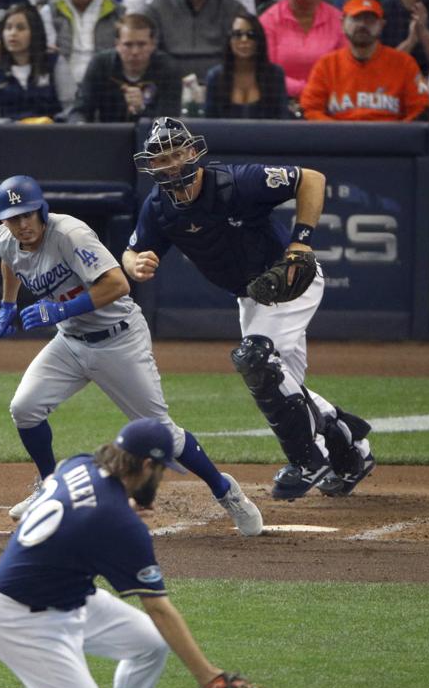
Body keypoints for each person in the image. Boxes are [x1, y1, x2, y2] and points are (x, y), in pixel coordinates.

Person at [0, 418, 271, 688]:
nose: (162, 479)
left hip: (68, 597)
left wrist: (124, 505)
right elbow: (160, 609)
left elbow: (73, 493)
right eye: (161, 471)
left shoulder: (81, 464)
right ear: (147, 464)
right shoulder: (116, 524)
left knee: (149, 645)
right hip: (19, 620)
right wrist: (208, 677)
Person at [0, 176, 263, 536]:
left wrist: (60, 310)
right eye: (14, 218)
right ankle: (47, 486)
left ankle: (226, 491)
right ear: (4, 221)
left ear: (41, 209)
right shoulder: (5, 240)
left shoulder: (70, 234)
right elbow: (9, 261)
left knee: (162, 432)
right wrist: (7, 303)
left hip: (118, 339)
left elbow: (119, 284)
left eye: (28, 214)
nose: (23, 224)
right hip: (71, 342)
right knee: (24, 408)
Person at [123, 117, 376, 500]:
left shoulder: (236, 181)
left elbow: (311, 179)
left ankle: (307, 460)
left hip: (290, 280)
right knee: (280, 383)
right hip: (251, 296)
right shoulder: (159, 207)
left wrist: (301, 242)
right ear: (150, 165)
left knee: (256, 360)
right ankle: (349, 445)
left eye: (176, 154)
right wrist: (134, 264)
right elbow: (132, 250)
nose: (170, 164)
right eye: (160, 159)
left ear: (194, 153)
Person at [299, 0, 429, 121]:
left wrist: (398, 134)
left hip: (390, 141)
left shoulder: (404, 63)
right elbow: (309, 108)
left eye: (370, 20)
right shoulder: (326, 65)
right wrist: (338, 134)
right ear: (342, 23)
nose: (362, 24)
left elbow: (421, 109)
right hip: (338, 141)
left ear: (382, 25)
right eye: (356, 18)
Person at [67, 13, 182, 122]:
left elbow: (169, 120)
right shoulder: (101, 64)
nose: (135, 52)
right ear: (117, 44)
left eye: (142, 44)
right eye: (128, 45)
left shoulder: (168, 69)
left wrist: (141, 109)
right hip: (107, 135)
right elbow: (80, 109)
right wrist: (80, 126)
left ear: (152, 45)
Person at [0, 3, 75, 124]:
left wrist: (52, 124)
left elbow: (71, 109)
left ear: (35, 31)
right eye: (8, 28)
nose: (13, 33)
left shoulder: (54, 62)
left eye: (21, 28)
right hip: (9, 137)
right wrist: (17, 126)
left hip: (52, 135)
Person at [136, 0, 247, 82]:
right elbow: (146, 50)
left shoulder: (233, 9)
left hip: (220, 87)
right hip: (169, 87)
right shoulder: (156, 9)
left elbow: (245, 49)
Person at [204, 11, 290, 118]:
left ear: (259, 40)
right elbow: (209, 125)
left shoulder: (275, 75)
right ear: (229, 40)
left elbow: (282, 121)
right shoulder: (215, 77)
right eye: (237, 34)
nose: (244, 40)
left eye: (251, 35)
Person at [259, 0, 345, 101]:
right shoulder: (269, 19)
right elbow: (266, 72)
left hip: (329, 100)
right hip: (279, 100)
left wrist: (318, 91)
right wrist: (306, 90)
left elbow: (345, 69)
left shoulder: (339, 20)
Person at [43, 0, 125, 93]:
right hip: (63, 83)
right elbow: (49, 52)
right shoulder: (50, 10)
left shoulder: (117, 11)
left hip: (104, 84)